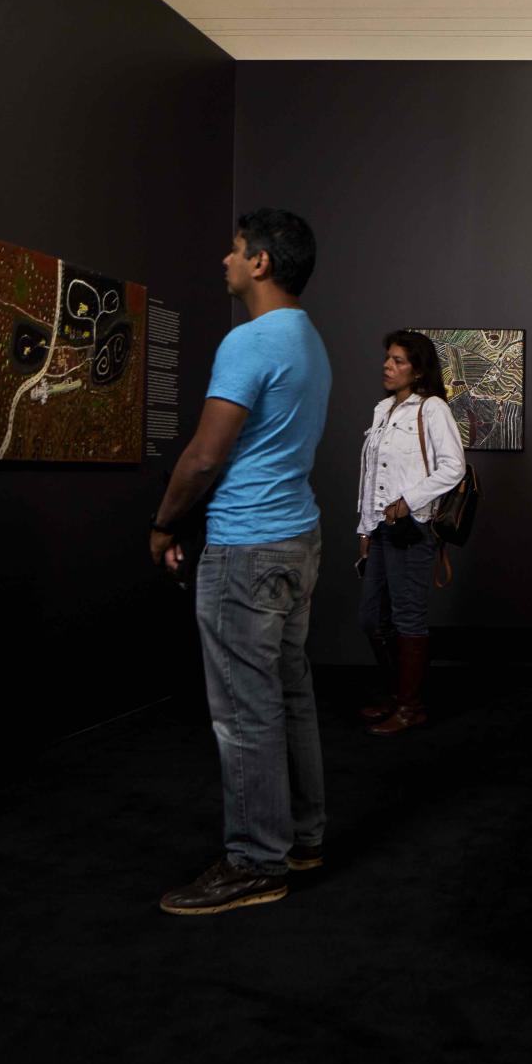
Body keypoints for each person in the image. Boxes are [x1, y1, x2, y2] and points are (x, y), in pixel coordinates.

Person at [151, 208, 333, 914]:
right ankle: (302, 838)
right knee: (290, 694)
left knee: (244, 711)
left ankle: (257, 860)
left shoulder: (249, 340)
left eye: (233, 251)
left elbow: (205, 456)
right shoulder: (310, 340)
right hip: (297, 540)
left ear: (260, 263)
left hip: (247, 547)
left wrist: (163, 523)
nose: (224, 262)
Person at [354, 330, 464, 736]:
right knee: (371, 617)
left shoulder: (432, 409)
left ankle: (410, 705)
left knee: (407, 617)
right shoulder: (382, 409)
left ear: (417, 371)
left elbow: (453, 466)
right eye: (388, 358)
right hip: (381, 531)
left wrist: (408, 499)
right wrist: (364, 527)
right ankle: (397, 693)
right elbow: (370, 474)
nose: (388, 365)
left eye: (399, 360)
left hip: (413, 529)